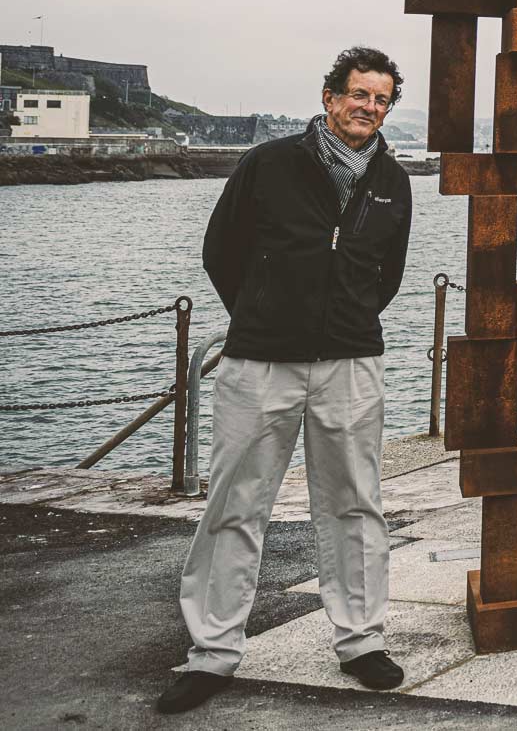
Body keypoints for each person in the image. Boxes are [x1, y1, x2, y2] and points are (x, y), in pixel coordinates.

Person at [156, 48, 414, 714]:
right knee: (234, 504)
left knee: (356, 503)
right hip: (259, 361)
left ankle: (361, 641)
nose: (369, 107)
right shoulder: (268, 163)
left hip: (350, 363)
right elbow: (223, 251)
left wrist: (343, 321)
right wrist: (266, 316)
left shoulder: (393, 179)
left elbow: (386, 275)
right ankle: (211, 652)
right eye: (358, 94)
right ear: (329, 97)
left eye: (382, 99)